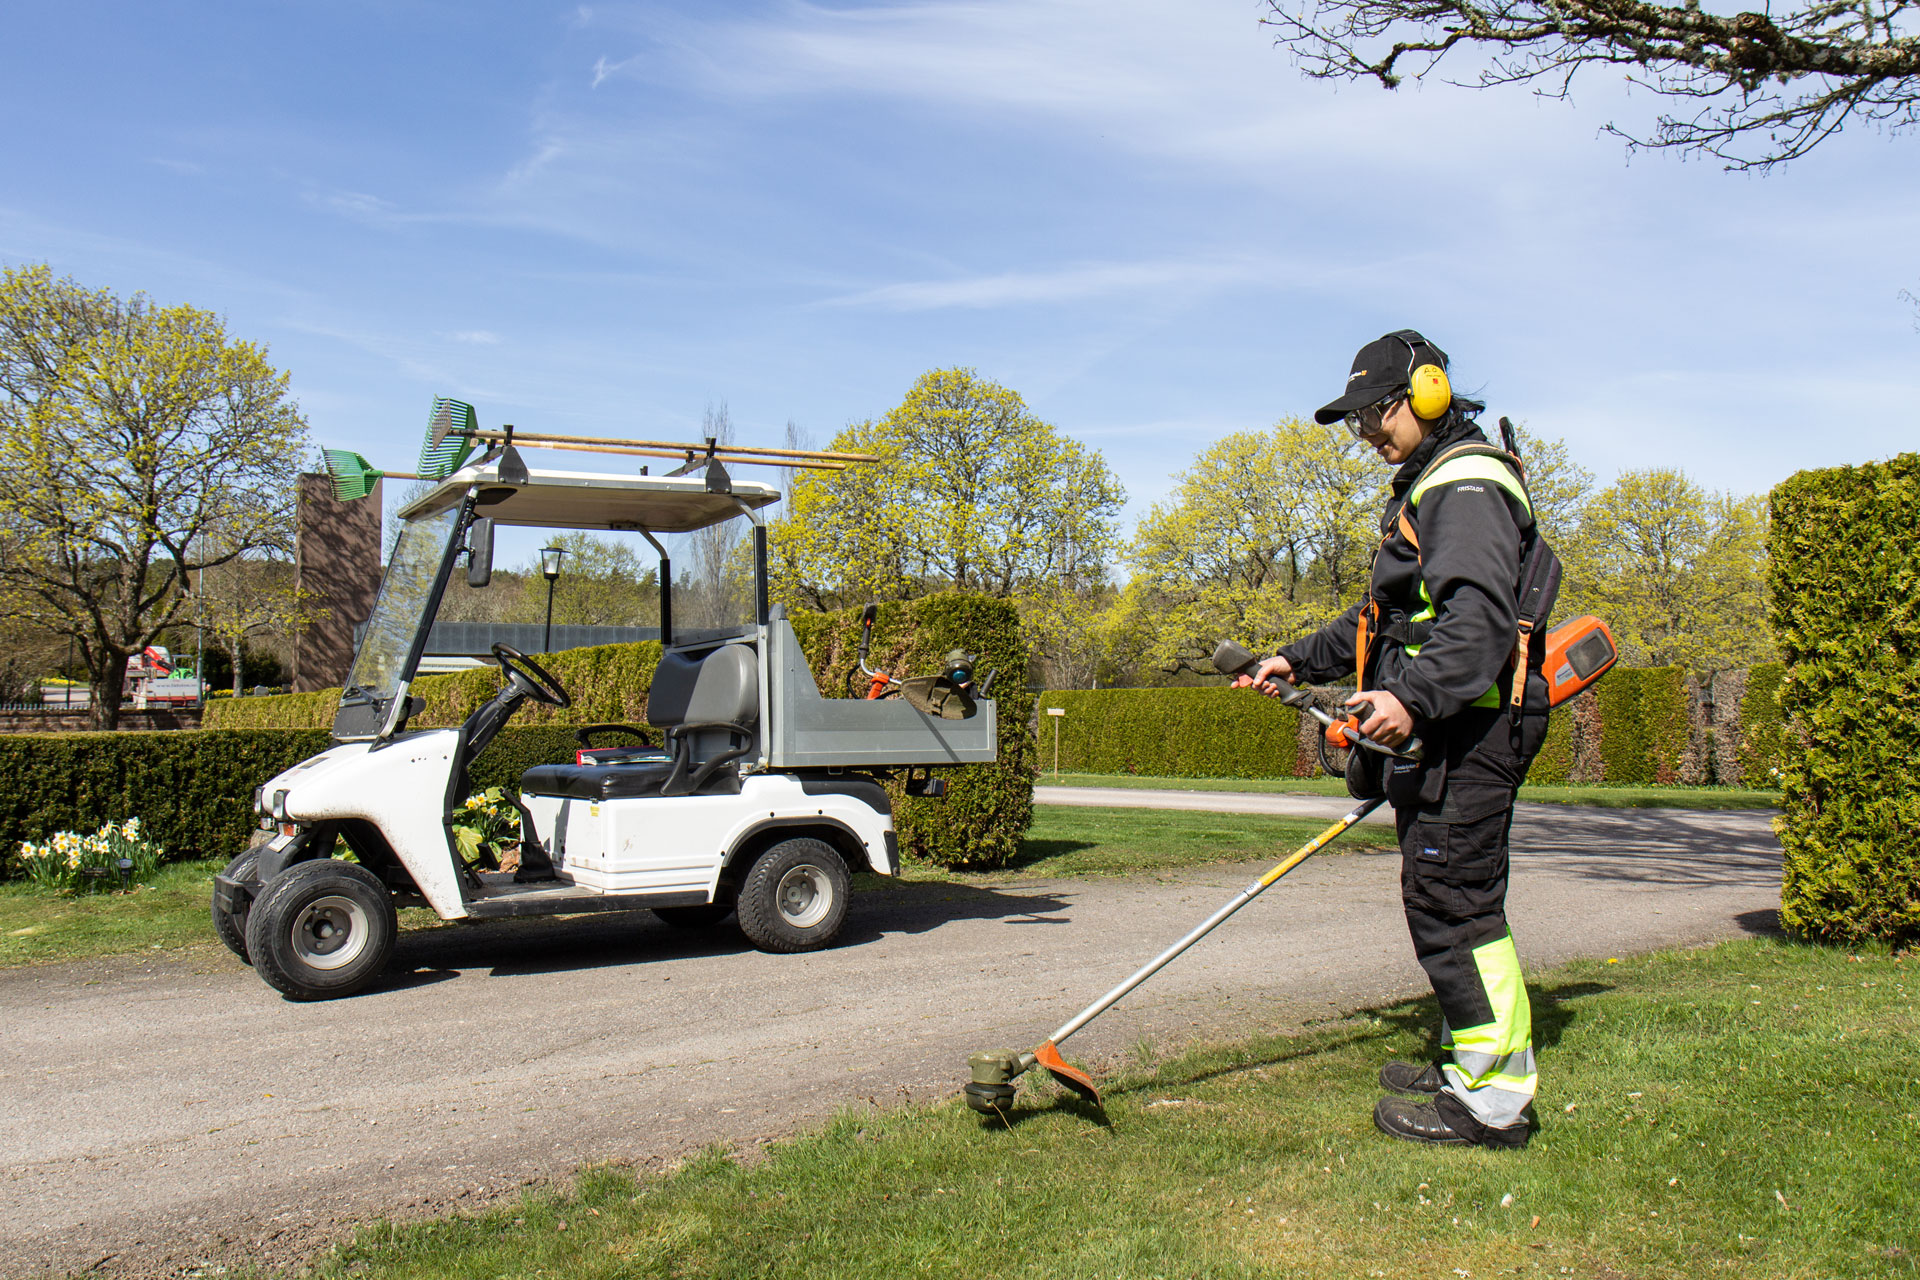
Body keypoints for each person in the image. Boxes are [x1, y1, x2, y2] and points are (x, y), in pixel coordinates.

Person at [1235, 330, 1539, 1149]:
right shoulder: (1428, 488)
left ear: (1429, 395)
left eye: (1376, 413)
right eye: (1357, 420)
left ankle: (1493, 1102)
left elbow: (1477, 625)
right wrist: (1291, 659)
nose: (1367, 432)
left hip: (1467, 728)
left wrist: (1411, 699)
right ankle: (1464, 1057)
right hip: (1448, 726)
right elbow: (1382, 621)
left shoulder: (1465, 486)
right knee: (1441, 897)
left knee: (1458, 907)